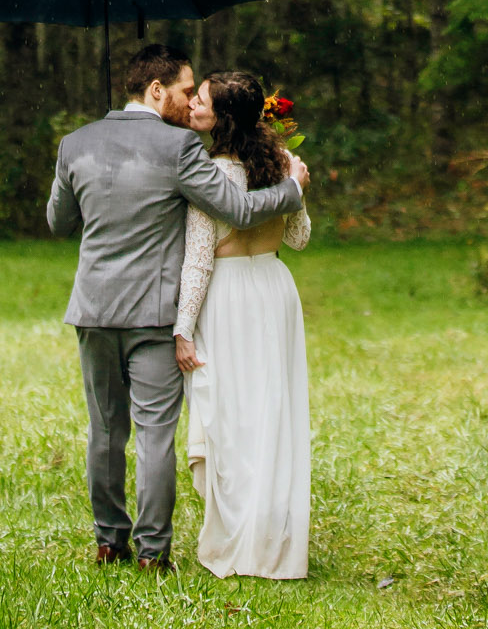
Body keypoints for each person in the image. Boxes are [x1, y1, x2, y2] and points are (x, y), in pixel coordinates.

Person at [46, 43, 309, 572]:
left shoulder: (75, 145)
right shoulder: (179, 150)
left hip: (94, 308)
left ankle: (107, 540)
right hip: (153, 312)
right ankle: (151, 553)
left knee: (104, 431)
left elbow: (58, 222)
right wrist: (292, 188)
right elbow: (235, 208)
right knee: (155, 435)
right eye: (186, 89)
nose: (191, 102)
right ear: (157, 88)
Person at [174, 71, 312, 580]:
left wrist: (182, 329)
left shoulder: (212, 176)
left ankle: (238, 537)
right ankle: (273, 537)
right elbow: (299, 239)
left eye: (202, 100)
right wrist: (299, 188)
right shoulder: (282, 167)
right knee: (272, 412)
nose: (194, 105)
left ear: (223, 118)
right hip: (275, 291)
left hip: (227, 298)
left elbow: (198, 261)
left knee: (231, 418)